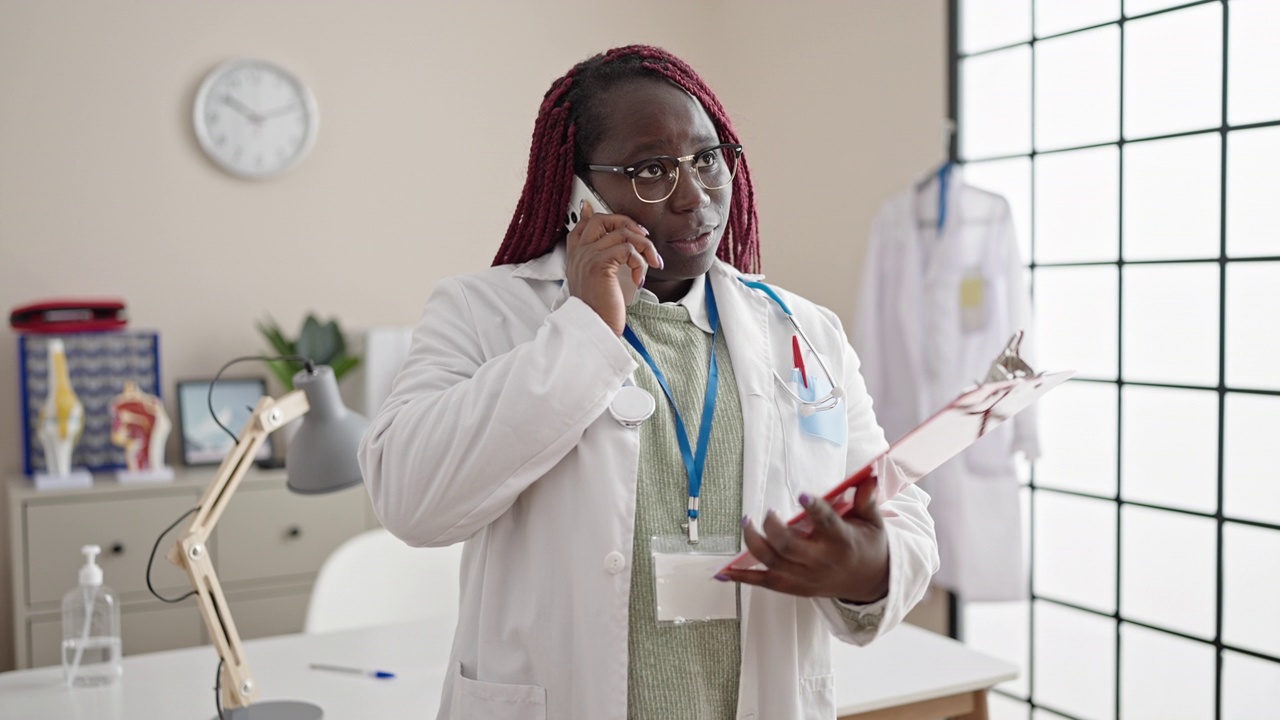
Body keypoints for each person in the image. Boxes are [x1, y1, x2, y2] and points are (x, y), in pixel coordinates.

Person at [359, 45, 938, 720]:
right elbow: (409, 496)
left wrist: (870, 570)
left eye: (707, 159)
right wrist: (583, 330)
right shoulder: (486, 313)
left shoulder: (803, 330)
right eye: (651, 170)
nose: (695, 196)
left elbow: (903, 518)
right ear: (579, 192)